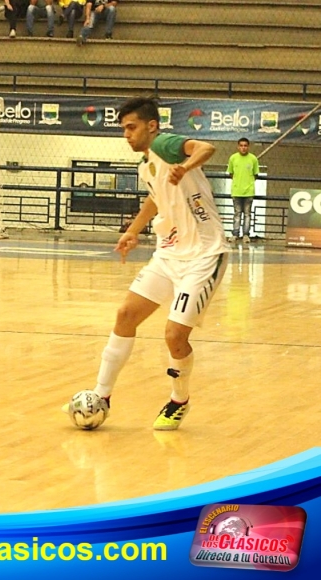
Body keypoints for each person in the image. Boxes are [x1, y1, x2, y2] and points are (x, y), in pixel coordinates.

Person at [69, 96, 228, 431]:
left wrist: (186, 165)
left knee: (174, 336)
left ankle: (178, 400)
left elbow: (206, 147)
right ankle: (102, 396)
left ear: (151, 126)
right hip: (169, 253)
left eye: (132, 127)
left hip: (203, 255)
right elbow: (156, 198)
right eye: (123, 128)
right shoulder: (147, 165)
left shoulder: (167, 145)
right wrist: (133, 231)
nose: (126, 134)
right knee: (126, 315)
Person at [227, 137, 259, 244]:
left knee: (247, 214)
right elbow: (231, 173)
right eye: (241, 145)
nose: (243, 148)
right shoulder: (233, 158)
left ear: (248, 147)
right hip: (236, 191)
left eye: (245, 145)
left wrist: (247, 183)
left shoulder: (253, 159)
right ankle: (235, 234)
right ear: (238, 146)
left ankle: (246, 235)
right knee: (237, 213)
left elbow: (256, 174)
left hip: (249, 191)